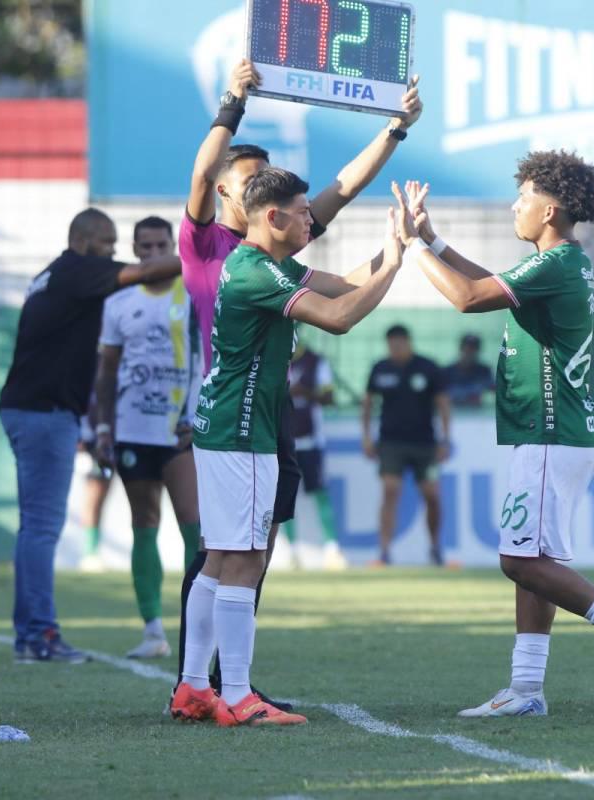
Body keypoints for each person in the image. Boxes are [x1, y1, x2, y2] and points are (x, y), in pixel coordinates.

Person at [172, 57, 423, 708]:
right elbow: (339, 313)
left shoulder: (275, 257)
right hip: (234, 409)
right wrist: (233, 101)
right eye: (255, 179)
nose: (292, 202)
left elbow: (340, 205)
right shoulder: (213, 246)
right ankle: (230, 688)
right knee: (238, 556)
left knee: (233, 553)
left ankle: (201, 685)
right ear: (242, 199)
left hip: (257, 407)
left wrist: (394, 132)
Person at [395, 151, 594, 717]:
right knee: (535, 560)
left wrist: (411, 246)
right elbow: (486, 284)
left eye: (522, 197)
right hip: (556, 431)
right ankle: (525, 691)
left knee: (520, 562)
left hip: (550, 431)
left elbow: (468, 298)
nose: (514, 207)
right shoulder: (564, 262)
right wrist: (435, 240)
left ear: (549, 209)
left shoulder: (557, 264)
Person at [0, 207, 182, 664]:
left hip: (26, 408)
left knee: (31, 528)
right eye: (108, 245)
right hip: (46, 413)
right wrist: (214, 250)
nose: (113, 254)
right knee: (42, 528)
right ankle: (40, 634)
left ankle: (28, 633)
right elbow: (150, 270)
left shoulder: (46, 275)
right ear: (84, 242)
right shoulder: (79, 270)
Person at [94, 216, 203, 659]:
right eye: (146, 246)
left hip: (180, 427)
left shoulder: (194, 295)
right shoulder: (118, 302)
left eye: (162, 245)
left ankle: (199, 627)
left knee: (194, 525)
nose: (154, 253)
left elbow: (204, 359)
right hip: (134, 427)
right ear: (135, 250)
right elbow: (107, 370)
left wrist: (196, 413)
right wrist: (103, 426)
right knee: (145, 523)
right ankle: (153, 629)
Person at [362, 325, 451, 566]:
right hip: (391, 442)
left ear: (409, 342)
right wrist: (367, 437)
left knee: (432, 495)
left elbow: (443, 404)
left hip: (425, 443)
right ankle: (384, 551)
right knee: (390, 491)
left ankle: (435, 548)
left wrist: (445, 439)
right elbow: (368, 404)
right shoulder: (380, 369)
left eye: (400, 343)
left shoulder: (428, 367)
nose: (396, 348)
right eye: (392, 344)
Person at [283, 337, 347, 570]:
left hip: (311, 441)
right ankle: (292, 550)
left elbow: (329, 398)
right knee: (284, 498)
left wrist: (304, 392)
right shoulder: (275, 357)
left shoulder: (316, 361)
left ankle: (332, 548)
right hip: (284, 442)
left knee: (319, 492)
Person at [77, 399, 114, 573]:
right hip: (93, 442)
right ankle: (90, 552)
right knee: (94, 495)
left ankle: (93, 550)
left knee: (102, 495)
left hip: (116, 438)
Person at [444, 333, 495, 408]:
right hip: (453, 413)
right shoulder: (447, 371)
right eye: (467, 349)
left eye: (473, 349)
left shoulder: (484, 370)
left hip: (475, 415)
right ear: (461, 349)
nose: (470, 353)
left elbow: (495, 390)